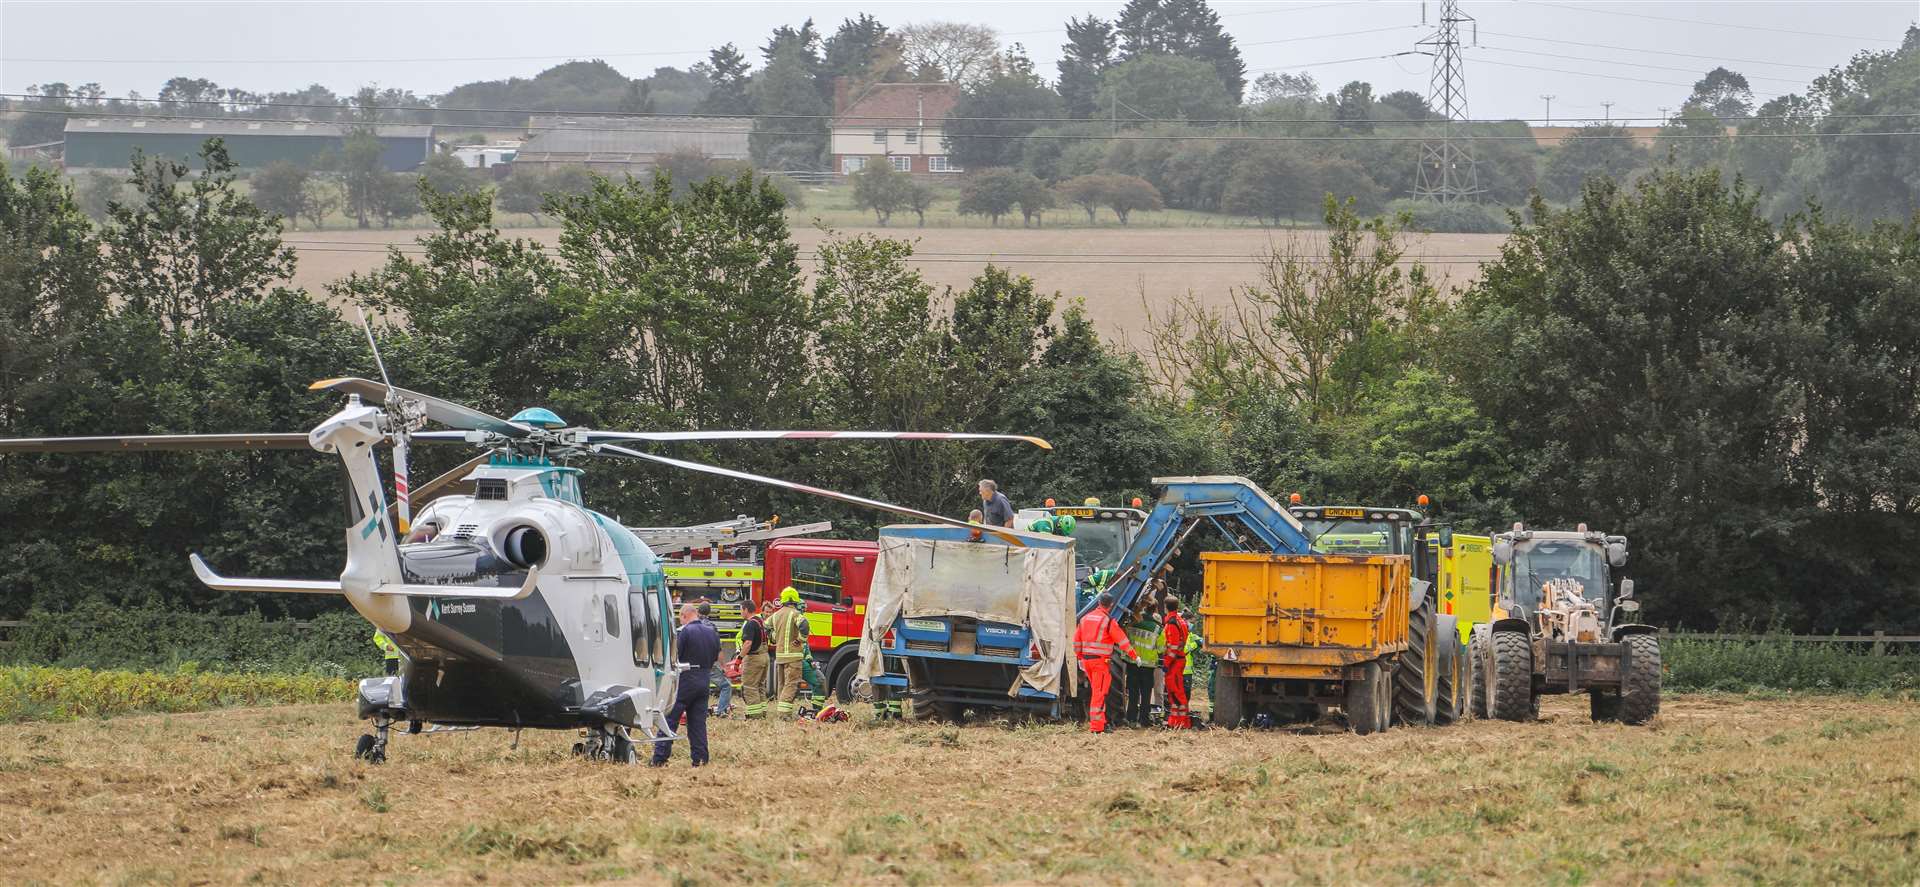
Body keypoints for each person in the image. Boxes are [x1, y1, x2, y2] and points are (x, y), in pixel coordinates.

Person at [652, 603, 721, 767]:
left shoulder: (685, 632)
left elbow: (675, 657)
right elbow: (716, 656)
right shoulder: (711, 632)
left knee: (670, 719)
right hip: (704, 678)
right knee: (698, 723)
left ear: (684, 615)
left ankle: (659, 758)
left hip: (685, 678)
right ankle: (701, 759)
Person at [1073, 592, 1139, 734]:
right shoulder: (1108, 621)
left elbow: (1076, 642)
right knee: (1099, 693)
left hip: (1086, 661)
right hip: (1100, 663)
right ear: (1111, 605)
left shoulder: (1084, 618)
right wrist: (1135, 656)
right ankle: (1097, 727)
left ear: (1098, 603)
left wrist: (1079, 657)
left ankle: (1100, 723)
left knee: (1096, 691)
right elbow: (1122, 641)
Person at [766, 586, 811, 719]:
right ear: (795, 600)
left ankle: (782, 713)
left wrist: (773, 637)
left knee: (782, 685)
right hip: (793, 657)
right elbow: (804, 625)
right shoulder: (795, 614)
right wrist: (800, 640)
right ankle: (784, 714)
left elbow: (765, 626)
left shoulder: (775, 615)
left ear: (783, 599)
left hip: (780, 657)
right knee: (791, 684)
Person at [1124, 602, 1163, 727]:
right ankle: (1144, 720)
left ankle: (1131, 718)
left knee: (1133, 692)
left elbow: (1126, 640)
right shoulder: (1157, 629)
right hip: (1148, 667)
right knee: (1146, 694)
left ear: (1144, 608)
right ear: (1155, 610)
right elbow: (1161, 648)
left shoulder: (1133, 623)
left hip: (1133, 663)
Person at [733, 599, 774, 719]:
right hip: (765, 657)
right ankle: (762, 713)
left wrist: (739, 659)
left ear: (746, 610)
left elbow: (747, 643)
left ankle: (754, 716)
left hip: (754, 659)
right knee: (760, 686)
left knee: (750, 687)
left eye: (741, 610)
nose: (741, 612)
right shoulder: (761, 622)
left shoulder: (750, 624)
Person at [1161, 597, 1193, 729]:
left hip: (1174, 662)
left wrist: (1166, 663)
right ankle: (1175, 721)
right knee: (1174, 692)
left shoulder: (1172, 623)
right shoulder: (1180, 621)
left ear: (1166, 607)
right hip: (1177, 661)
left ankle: (1182, 722)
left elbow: (1173, 646)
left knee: (1176, 692)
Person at [698, 603, 732, 717]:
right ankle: (721, 711)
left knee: (701, 688)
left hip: (693, 665)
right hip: (708, 664)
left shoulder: (690, 626)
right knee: (726, 686)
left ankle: (699, 711)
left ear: (698, 612)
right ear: (709, 612)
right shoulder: (711, 627)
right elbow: (718, 648)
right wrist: (723, 666)